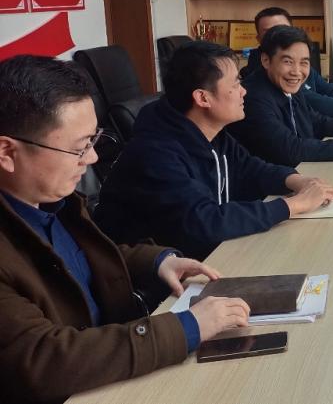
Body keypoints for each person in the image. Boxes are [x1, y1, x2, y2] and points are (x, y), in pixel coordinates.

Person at [0, 55, 251, 404]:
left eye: (93, 141)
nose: (92, 159)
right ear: (7, 152)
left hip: (115, 367)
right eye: (78, 148)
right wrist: (186, 328)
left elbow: (79, 259)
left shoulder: (52, 201)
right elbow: (43, 360)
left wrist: (158, 261)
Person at [95, 41, 333, 260]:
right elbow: (206, 221)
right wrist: (295, 205)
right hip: (164, 277)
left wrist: (297, 180)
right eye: (235, 84)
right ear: (203, 98)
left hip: (213, 254)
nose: (244, 91)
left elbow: (249, 168)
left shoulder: (211, 130)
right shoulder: (155, 152)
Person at [230, 25, 333, 166]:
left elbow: (317, 122)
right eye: (288, 62)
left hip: (301, 172)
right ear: (266, 60)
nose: (296, 72)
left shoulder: (288, 86)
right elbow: (290, 150)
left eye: (304, 63)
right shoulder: (253, 98)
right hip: (270, 186)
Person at [239, 7, 333, 117]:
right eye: (269, 32)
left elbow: (330, 91)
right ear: (259, 40)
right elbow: (315, 102)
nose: (278, 36)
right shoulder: (267, 71)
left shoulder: (299, 63)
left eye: (283, 29)